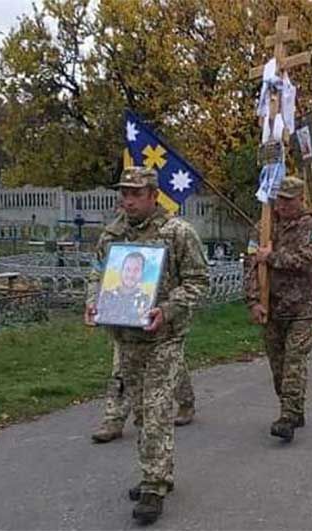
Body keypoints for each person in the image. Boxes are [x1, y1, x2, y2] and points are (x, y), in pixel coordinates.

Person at [85, 166, 209, 525]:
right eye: (124, 192)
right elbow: (97, 273)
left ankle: (153, 484)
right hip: (126, 339)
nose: (128, 200)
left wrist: (167, 310)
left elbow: (198, 280)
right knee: (141, 411)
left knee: (156, 410)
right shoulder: (113, 233)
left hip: (163, 338)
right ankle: (159, 472)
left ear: (154, 196)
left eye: (136, 193)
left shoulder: (177, 233)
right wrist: (94, 301)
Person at [246, 176, 312, 443]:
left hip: (302, 309)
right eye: (280, 199)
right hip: (272, 307)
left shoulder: (311, 226)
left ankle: (288, 417)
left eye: (289, 199)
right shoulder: (264, 227)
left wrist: (273, 257)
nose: (283, 204)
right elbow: (251, 265)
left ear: (301, 199)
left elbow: (307, 261)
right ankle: (293, 407)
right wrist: (254, 301)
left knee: (293, 362)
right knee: (278, 366)